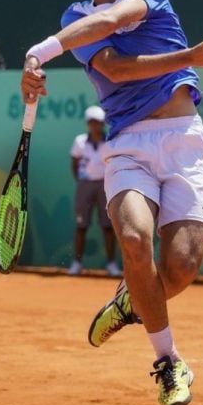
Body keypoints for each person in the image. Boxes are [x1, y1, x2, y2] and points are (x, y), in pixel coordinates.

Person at [20, 0, 203, 405]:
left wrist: (190, 57)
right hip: (129, 146)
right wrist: (43, 51)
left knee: (180, 268)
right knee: (135, 239)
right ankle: (169, 362)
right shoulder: (76, 14)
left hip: (184, 141)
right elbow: (114, 64)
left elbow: (119, 18)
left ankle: (128, 302)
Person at [67, 105, 122, 277]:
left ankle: (111, 264)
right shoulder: (80, 141)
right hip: (85, 185)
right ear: (87, 124)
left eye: (98, 123)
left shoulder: (111, 141)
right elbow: (74, 164)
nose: (95, 126)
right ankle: (76, 263)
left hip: (106, 186)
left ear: (102, 124)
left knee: (108, 227)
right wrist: (83, 180)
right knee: (81, 226)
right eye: (92, 123)